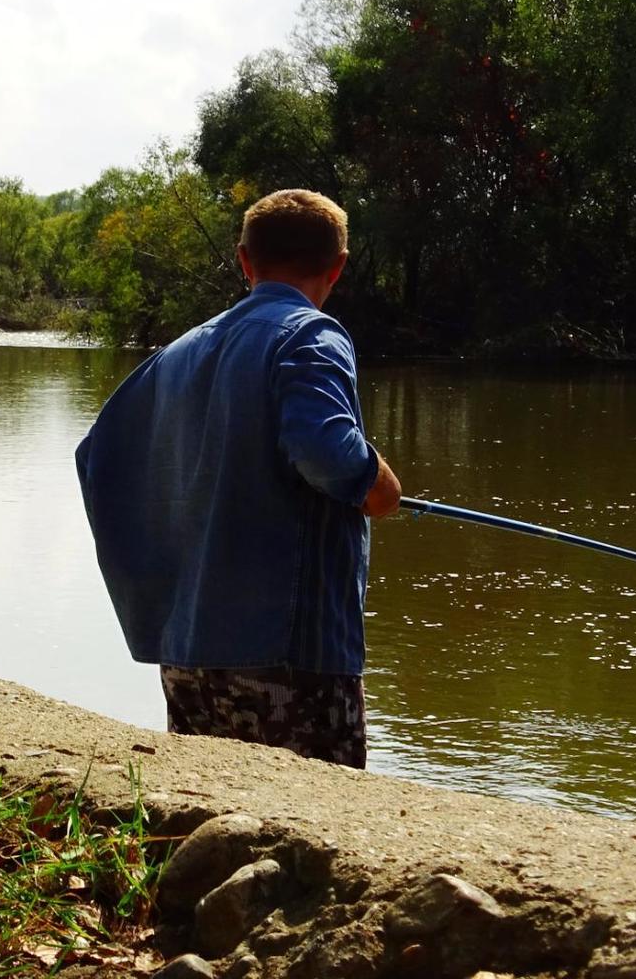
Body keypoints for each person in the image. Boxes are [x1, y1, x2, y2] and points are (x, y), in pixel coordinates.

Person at [75, 188, 400, 768]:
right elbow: (326, 452)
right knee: (312, 830)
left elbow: (98, 460)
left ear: (245, 261)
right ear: (339, 268)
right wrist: (379, 483)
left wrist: (158, 605)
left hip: (189, 657)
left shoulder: (177, 352)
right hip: (290, 661)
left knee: (210, 816)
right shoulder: (311, 334)